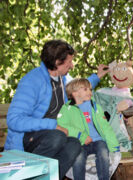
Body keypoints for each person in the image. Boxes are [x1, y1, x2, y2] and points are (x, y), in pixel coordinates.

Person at [5, 39, 109, 179]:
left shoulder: (62, 79)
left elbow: (78, 88)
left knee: (75, 144)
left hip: (53, 136)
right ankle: (28, 175)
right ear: (57, 62)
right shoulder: (32, 81)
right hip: (29, 139)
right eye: (69, 62)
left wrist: (97, 76)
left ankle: (48, 177)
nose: (72, 66)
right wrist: (53, 125)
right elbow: (13, 120)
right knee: (58, 137)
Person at [57, 78, 120, 180]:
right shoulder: (67, 108)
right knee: (78, 158)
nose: (90, 92)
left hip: (98, 140)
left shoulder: (95, 107)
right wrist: (81, 136)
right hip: (80, 143)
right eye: (86, 89)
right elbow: (62, 125)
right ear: (75, 93)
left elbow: (105, 127)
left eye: (90, 89)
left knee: (103, 154)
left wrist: (114, 145)